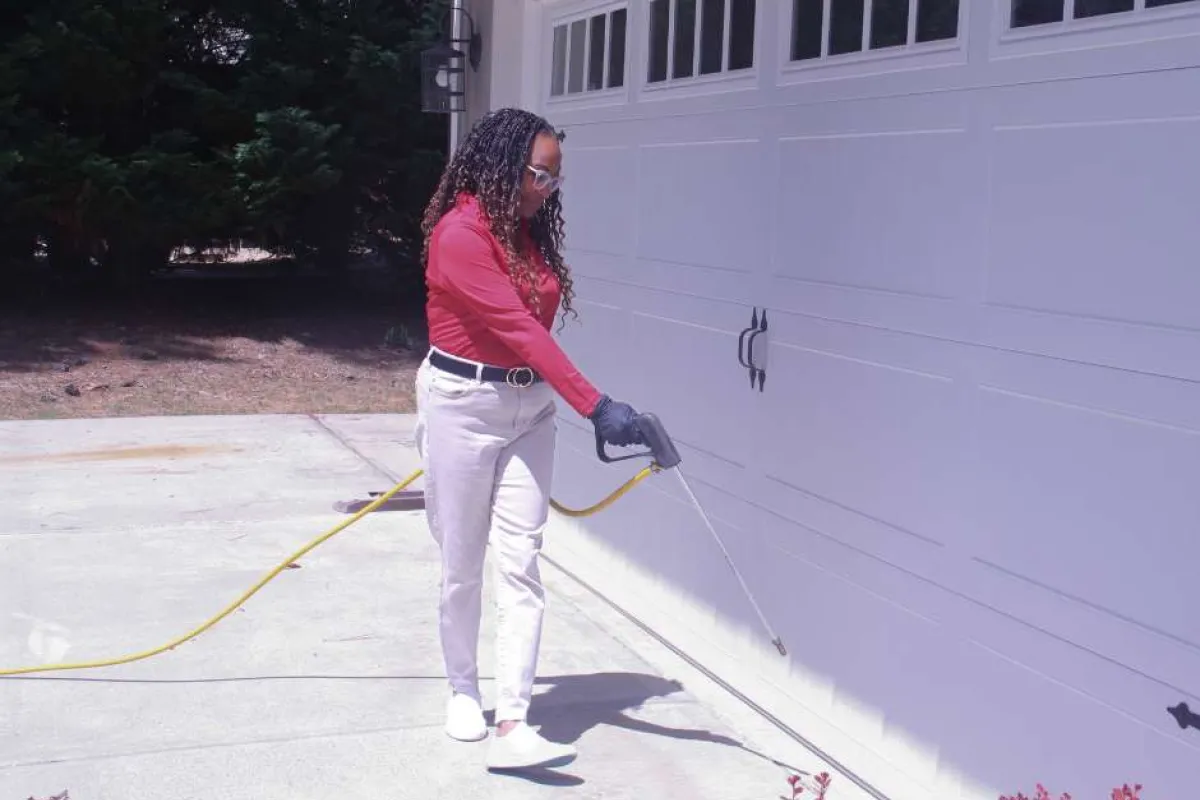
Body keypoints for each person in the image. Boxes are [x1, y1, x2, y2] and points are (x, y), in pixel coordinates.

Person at [413, 107, 644, 771]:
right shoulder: (459, 235)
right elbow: (519, 328)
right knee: (461, 562)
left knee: (522, 560)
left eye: (555, 179)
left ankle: (513, 717)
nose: (548, 188)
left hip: (529, 409)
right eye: (539, 174)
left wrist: (567, 400)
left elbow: (532, 334)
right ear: (502, 169)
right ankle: (462, 688)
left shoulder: (524, 233)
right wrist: (595, 405)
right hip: (463, 404)